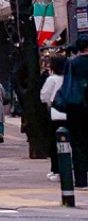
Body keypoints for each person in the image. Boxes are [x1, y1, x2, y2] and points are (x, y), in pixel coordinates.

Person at [65, 37, 88, 190]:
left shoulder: (72, 63)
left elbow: (66, 84)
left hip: (77, 106)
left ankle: (81, 179)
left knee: (78, 143)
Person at [40, 53, 67, 181]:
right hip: (72, 113)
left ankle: (56, 170)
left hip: (56, 113)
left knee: (55, 143)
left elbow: (44, 96)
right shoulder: (69, 77)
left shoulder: (52, 79)